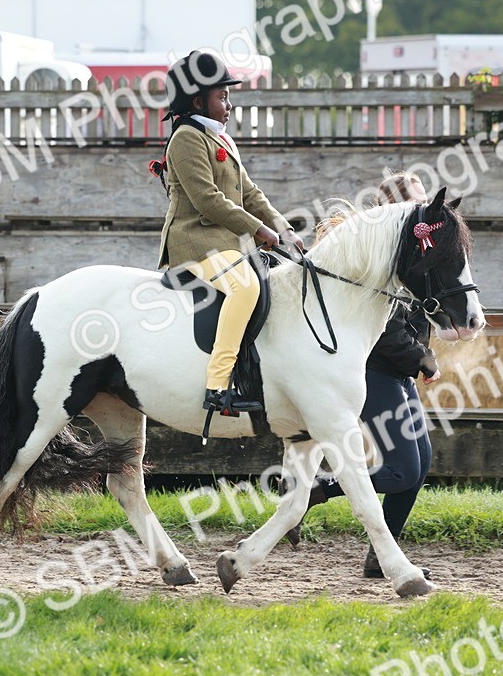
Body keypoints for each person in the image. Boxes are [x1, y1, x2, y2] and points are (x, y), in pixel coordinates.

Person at [285, 172, 437, 578]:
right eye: (415, 205)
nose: (423, 213)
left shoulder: (406, 251)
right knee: (402, 468)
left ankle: (380, 554)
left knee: (420, 462)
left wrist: (427, 348)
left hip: (399, 371)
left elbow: (415, 313)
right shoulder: (374, 254)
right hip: (373, 371)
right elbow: (383, 328)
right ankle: (320, 489)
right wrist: (420, 356)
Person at [155, 50, 304, 413]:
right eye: (222, 97)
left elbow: (251, 193)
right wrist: (260, 230)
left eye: (228, 96)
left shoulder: (220, 138)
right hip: (194, 242)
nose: (229, 104)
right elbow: (208, 200)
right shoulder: (186, 139)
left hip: (225, 243)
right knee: (244, 287)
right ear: (196, 101)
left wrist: (283, 229)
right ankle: (217, 385)